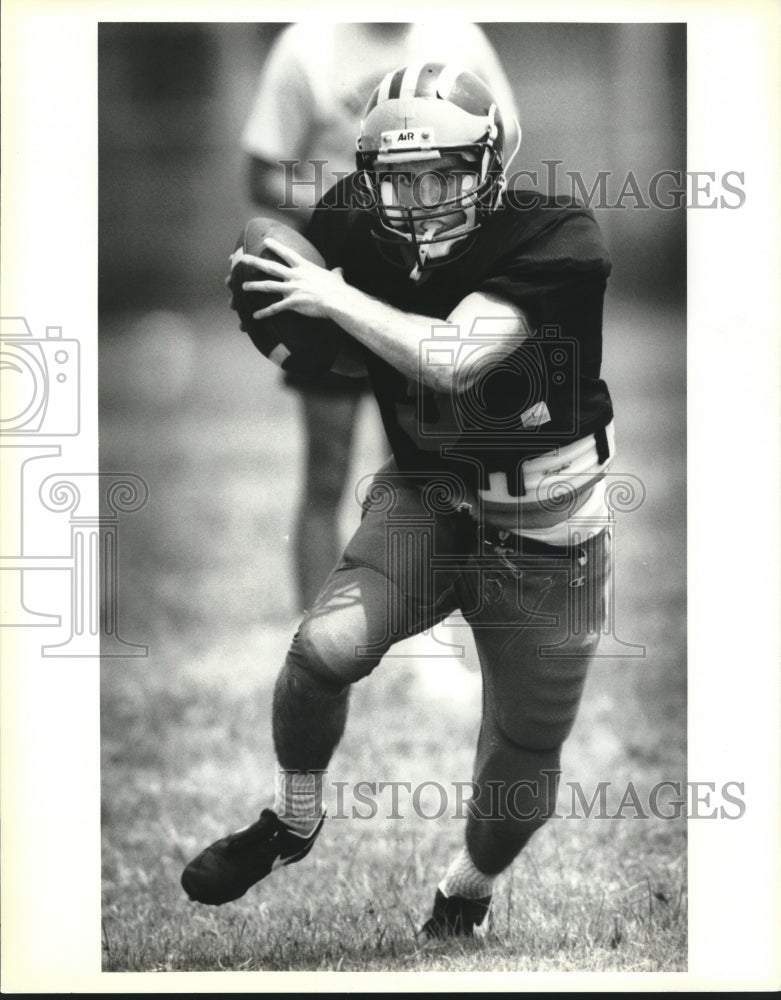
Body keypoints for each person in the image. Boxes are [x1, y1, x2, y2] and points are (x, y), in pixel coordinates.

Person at [183, 62, 616, 939]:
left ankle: (467, 890)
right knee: (322, 648)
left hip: (549, 531)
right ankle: (291, 821)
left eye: (444, 174)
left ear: (491, 168)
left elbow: (452, 357)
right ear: (370, 176)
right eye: (400, 178)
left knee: (519, 773)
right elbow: (319, 334)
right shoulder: (349, 219)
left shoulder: (558, 236)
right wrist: (296, 330)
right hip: (429, 495)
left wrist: (333, 296)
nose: (420, 199)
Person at [240, 22, 519, 612]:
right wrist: (366, 202)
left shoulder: (460, 36)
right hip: (330, 275)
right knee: (327, 468)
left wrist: (425, 206)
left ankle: (436, 644)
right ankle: (316, 642)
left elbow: (504, 140)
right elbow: (261, 171)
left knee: (439, 472)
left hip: (431, 280)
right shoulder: (306, 45)